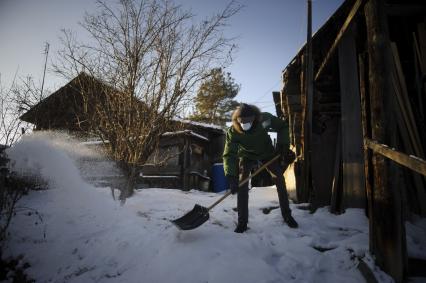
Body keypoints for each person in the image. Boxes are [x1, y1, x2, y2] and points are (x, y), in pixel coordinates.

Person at [223, 103, 298, 233]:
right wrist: (231, 176)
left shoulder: (264, 120)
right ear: (237, 121)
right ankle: (242, 223)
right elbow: (230, 155)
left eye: (248, 121)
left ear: (255, 118)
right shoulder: (233, 131)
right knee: (242, 185)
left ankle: (287, 215)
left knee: (279, 179)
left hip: (267, 153)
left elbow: (282, 127)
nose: (245, 124)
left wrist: (282, 145)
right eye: (242, 122)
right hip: (246, 156)